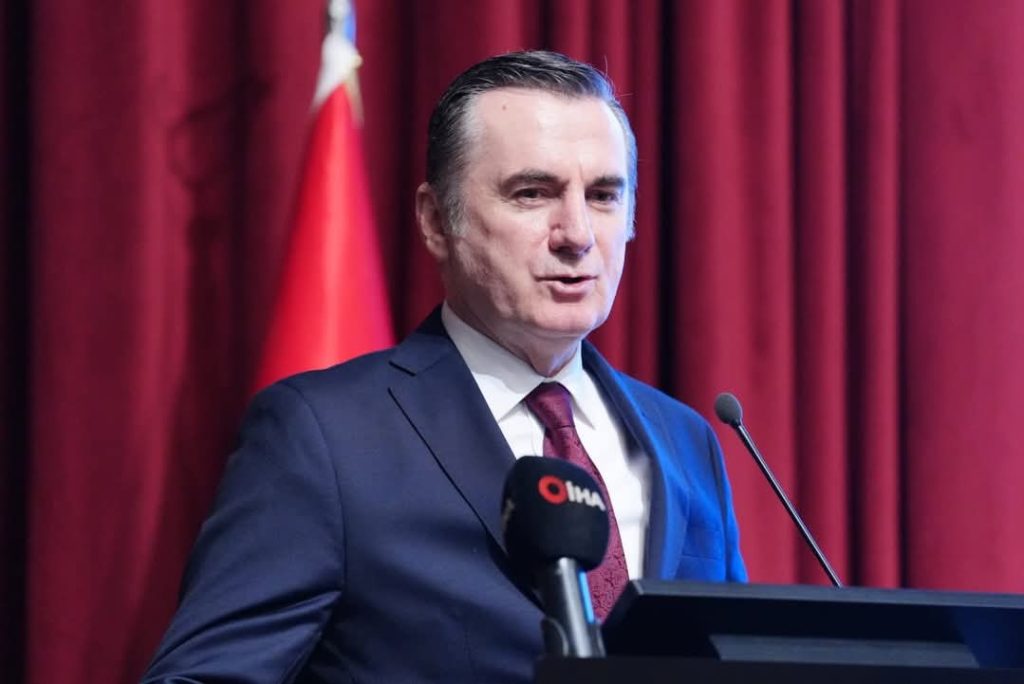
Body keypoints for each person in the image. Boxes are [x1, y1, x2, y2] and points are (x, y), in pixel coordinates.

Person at [142, 50, 746, 684]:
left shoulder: (687, 440)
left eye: (602, 195)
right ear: (436, 220)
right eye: (532, 193)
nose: (577, 234)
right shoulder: (327, 438)